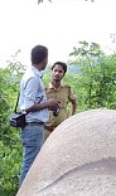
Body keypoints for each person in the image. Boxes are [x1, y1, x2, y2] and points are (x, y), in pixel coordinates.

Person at [17, 45, 59, 187]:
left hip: (33, 126)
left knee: (31, 163)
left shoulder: (31, 75)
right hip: (33, 126)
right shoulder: (33, 78)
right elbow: (28, 106)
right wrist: (49, 104)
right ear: (45, 59)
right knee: (30, 164)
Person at [43, 61, 77, 141]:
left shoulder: (66, 88)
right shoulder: (44, 89)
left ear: (64, 74)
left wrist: (72, 117)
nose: (57, 73)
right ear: (52, 72)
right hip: (47, 130)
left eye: (60, 71)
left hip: (62, 130)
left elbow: (74, 102)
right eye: (55, 70)